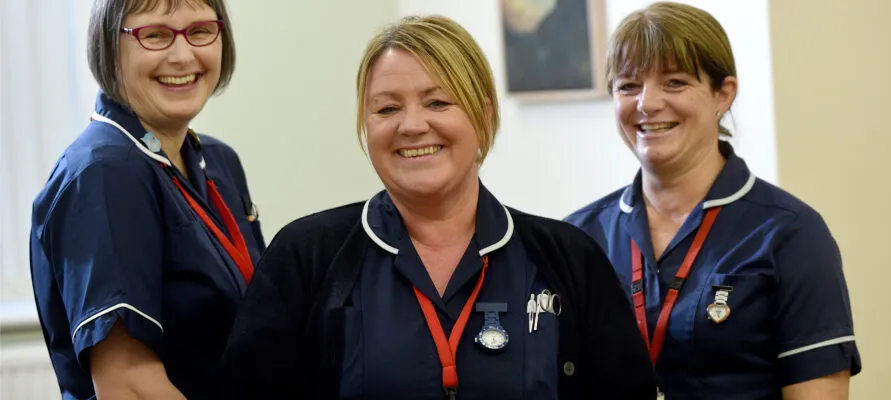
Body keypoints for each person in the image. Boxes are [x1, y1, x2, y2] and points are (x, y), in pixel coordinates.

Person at [218, 14, 657, 400]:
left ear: (483, 115)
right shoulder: (307, 257)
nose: (412, 125)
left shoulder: (569, 259)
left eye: (437, 102)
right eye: (387, 108)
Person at [564, 2, 862, 399]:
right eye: (628, 86)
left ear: (723, 94)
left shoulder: (790, 234)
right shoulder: (577, 239)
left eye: (674, 83)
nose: (647, 103)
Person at [28, 0, 264, 398]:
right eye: (154, 35)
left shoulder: (217, 162)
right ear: (109, 46)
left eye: (200, 31)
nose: (182, 54)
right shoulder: (103, 173)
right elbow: (128, 385)